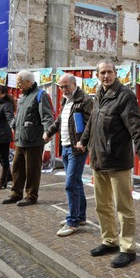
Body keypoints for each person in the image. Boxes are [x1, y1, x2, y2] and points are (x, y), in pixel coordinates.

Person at [77, 59, 140, 268]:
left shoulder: (125, 95)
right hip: (98, 160)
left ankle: (128, 248)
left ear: (115, 73)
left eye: (109, 72)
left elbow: (137, 126)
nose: (106, 76)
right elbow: (93, 121)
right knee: (102, 205)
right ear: (97, 75)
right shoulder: (99, 94)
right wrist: (83, 141)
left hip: (118, 161)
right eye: (102, 73)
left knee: (124, 208)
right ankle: (109, 240)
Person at [44, 73, 93, 237]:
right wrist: (49, 133)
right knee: (76, 183)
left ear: (74, 84)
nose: (63, 89)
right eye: (61, 87)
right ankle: (81, 216)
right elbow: (60, 120)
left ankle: (72, 222)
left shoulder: (84, 101)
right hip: (64, 147)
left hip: (76, 149)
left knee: (70, 184)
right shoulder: (66, 100)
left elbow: (90, 125)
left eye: (66, 86)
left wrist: (83, 142)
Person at [3, 70, 54, 206]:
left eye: (20, 82)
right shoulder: (23, 96)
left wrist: (48, 131)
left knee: (32, 169)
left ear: (28, 82)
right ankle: (16, 193)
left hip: (34, 140)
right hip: (20, 139)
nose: (18, 85)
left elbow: (47, 115)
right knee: (17, 168)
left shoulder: (40, 95)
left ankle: (31, 196)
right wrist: (13, 124)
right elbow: (20, 115)